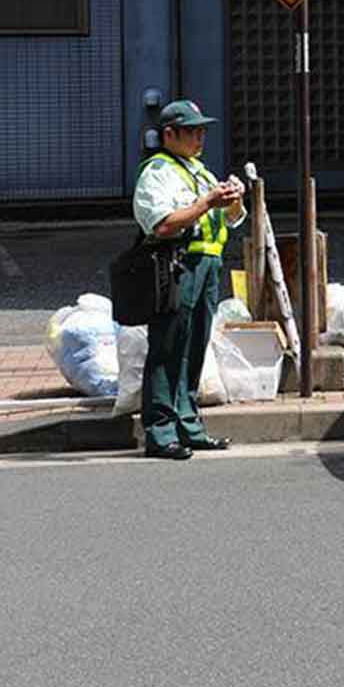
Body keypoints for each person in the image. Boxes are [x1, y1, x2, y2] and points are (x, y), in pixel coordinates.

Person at [132, 100, 246, 459]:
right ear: (170, 134)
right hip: (176, 265)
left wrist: (232, 201)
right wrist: (208, 202)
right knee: (168, 347)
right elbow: (162, 223)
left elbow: (229, 220)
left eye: (202, 131)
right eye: (192, 131)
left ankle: (189, 425)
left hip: (208, 266)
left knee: (194, 347)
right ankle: (161, 432)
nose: (200, 137)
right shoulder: (158, 171)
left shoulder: (199, 170)